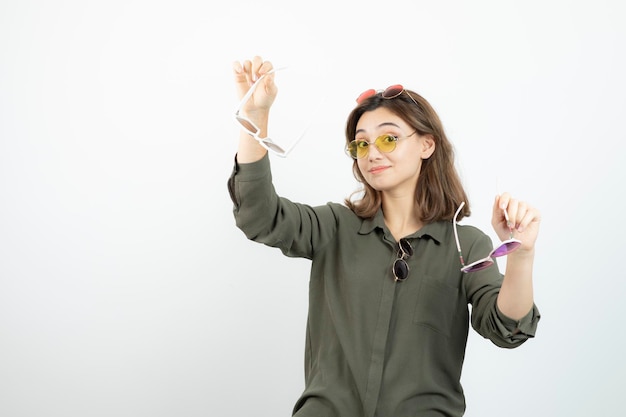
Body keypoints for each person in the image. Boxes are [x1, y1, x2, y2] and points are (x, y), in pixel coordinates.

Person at [227, 56, 541, 417]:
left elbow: (506, 329)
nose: (372, 152)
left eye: (389, 139)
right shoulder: (334, 226)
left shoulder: (467, 244)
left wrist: (521, 253)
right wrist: (254, 117)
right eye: (361, 144)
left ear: (427, 145)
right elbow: (258, 215)